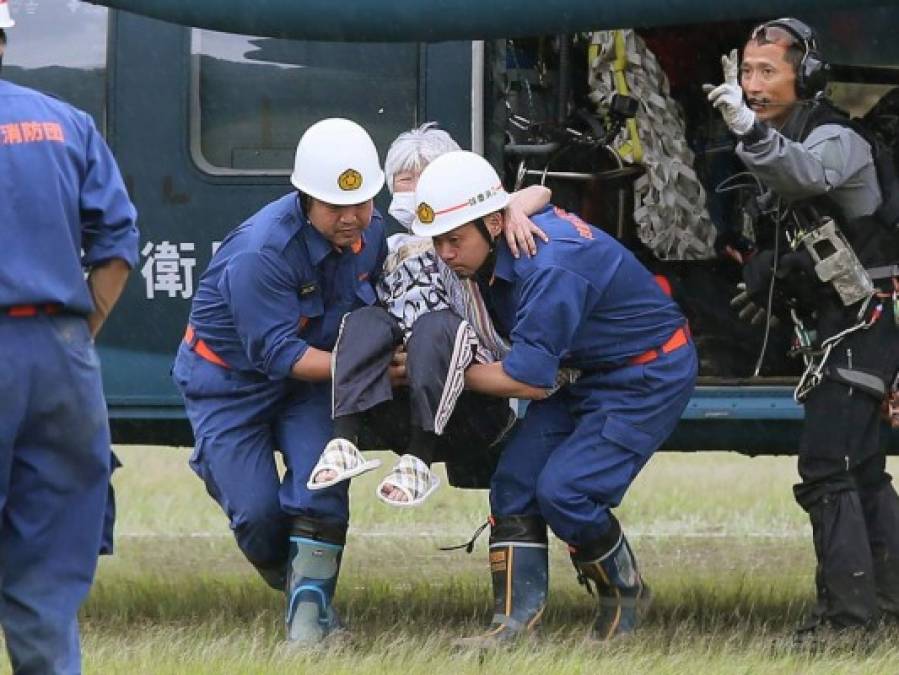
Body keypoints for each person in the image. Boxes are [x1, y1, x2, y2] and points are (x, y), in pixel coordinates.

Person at [412, 150, 698, 644]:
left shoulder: (550, 267)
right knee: (514, 483)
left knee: (566, 492)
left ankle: (625, 596)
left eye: (453, 240)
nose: (444, 253)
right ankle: (513, 624)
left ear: (493, 225)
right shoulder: (497, 232)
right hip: (586, 371)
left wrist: (444, 371)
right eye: (437, 241)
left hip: (648, 373)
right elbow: (535, 194)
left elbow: (530, 380)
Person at [705, 18, 899, 641]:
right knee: (861, 466)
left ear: (805, 77)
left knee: (827, 464)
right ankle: (887, 606)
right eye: (747, 73)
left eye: (768, 72)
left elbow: (804, 177)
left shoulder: (836, 139)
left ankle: (847, 621)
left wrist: (745, 130)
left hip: (864, 322)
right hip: (839, 324)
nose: (754, 86)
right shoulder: (780, 139)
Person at [172, 118, 396, 646]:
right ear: (304, 198)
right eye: (336, 207)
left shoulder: (374, 231)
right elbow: (278, 353)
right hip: (228, 383)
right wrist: (369, 363)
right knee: (256, 515)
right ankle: (291, 578)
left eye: (362, 202)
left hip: (308, 384)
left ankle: (311, 624)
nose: (353, 218)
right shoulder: (262, 251)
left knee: (322, 484)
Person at [308, 123, 552, 506]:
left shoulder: (470, 241)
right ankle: (343, 440)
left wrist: (511, 207)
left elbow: (539, 191)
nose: (413, 192)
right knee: (364, 320)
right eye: (403, 180)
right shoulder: (385, 246)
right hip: (399, 398)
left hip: (465, 396)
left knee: (435, 327)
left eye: (423, 180)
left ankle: (418, 461)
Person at [0, 7, 140, 672]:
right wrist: (74, 337)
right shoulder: (65, 122)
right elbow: (115, 247)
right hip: (61, 359)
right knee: (48, 572)